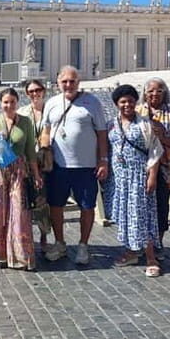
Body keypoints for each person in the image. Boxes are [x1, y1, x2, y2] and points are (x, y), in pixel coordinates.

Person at [39, 66, 108, 265]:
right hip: (58, 166)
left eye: (72, 81)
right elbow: (46, 129)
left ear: (78, 82)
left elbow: (102, 133)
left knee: (87, 206)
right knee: (56, 205)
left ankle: (83, 245)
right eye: (65, 81)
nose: (68, 85)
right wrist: (44, 148)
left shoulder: (92, 103)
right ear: (58, 82)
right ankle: (60, 243)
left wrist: (103, 160)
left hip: (85, 166)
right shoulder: (52, 103)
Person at [103, 85, 163, 277]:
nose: (127, 105)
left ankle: (150, 256)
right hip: (120, 177)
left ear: (136, 102)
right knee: (125, 215)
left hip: (138, 175)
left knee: (142, 215)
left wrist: (152, 175)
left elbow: (155, 151)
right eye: (122, 101)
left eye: (130, 100)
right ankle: (131, 251)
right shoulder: (111, 124)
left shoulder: (145, 124)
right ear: (116, 104)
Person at [0, 88, 42, 270]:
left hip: (18, 170)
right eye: (5, 102)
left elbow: (30, 149)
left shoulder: (26, 122)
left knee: (19, 212)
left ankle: (19, 256)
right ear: (1, 103)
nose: (9, 105)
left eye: (12, 102)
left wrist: (35, 174)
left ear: (17, 102)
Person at [137, 77, 170, 254]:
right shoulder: (136, 112)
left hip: (165, 168)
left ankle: (157, 242)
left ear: (164, 93)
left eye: (158, 90)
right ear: (144, 93)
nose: (154, 94)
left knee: (161, 206)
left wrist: (163, 139)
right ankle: (140, 243)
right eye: (150, 90)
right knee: (139, 205)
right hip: (140, 167)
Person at [18, 79, 52, 251]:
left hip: (48, 161)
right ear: (27, 94)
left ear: (43, 91)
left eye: (37, 90)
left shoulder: (51, 110)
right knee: (28, 199)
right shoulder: (22, 112)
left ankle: (45, 235)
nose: (34, 93)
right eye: (30, 91)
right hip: (29, 162)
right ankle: (28, 236)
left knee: (43, 201)